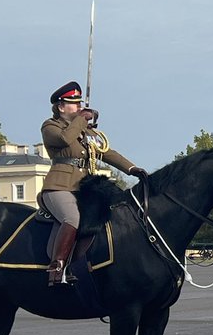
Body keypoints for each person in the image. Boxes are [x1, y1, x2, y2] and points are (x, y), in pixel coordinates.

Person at [40, 81, 147, 286]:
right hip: (59, 187)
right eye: (74, 104)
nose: (79, 107)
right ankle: (57, 266)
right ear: (61, 107)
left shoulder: (86, 133)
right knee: (72, 217)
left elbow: (106, 152)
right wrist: (81, 121)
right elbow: (64, 139)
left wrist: (132, 169)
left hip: (84, 187)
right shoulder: (50, 126)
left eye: (80, 103)